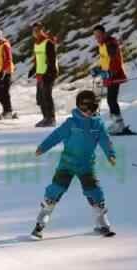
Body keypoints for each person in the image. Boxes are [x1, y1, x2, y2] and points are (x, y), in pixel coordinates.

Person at [31, 90, 117, 239]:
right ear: (79, 106)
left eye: (93, 108)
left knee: (95, 191)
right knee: (56, 189)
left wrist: (110, 154)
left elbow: (105, 140)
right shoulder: (71, 123)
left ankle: (101, 221)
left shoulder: (98, 125)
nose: (89, 112)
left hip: (86, 165)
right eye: (85, 108)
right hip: (67, 164)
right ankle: (42, 220)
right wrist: (43, 147)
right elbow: (56, 136)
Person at [91, 25, 129, 135]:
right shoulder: (101, 45)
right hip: (108, 76)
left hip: (115, 75)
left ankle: (119, 125)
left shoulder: (110, 43)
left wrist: (110, 72)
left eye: (99, 34)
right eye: (95, 35)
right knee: (110, 100)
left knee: (111, 99)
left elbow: (115, 59)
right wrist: (98, 69)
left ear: (104, 33)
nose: (97, 37)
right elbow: (105, 61)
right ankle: (117, 123)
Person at [28, 22, 58, 127]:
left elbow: (52, 59)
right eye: (34, 31)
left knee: (47, 96)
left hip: (48, 73)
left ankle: (51, 118)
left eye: (37, 30)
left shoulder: (48, 42)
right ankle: (45, 117)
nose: (35, 32)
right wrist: (33, 69)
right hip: (40, 73)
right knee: (40, 98)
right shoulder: (36, 43)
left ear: (42, 30)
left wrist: (50, 72)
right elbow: (37, 59)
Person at [0, 29, 16, 120]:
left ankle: (8, 111)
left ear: (1, 35)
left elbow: (8, 59)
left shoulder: (5, 45)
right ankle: (7, 110)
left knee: (4, 93)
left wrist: (4, 72)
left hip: (5, 72)